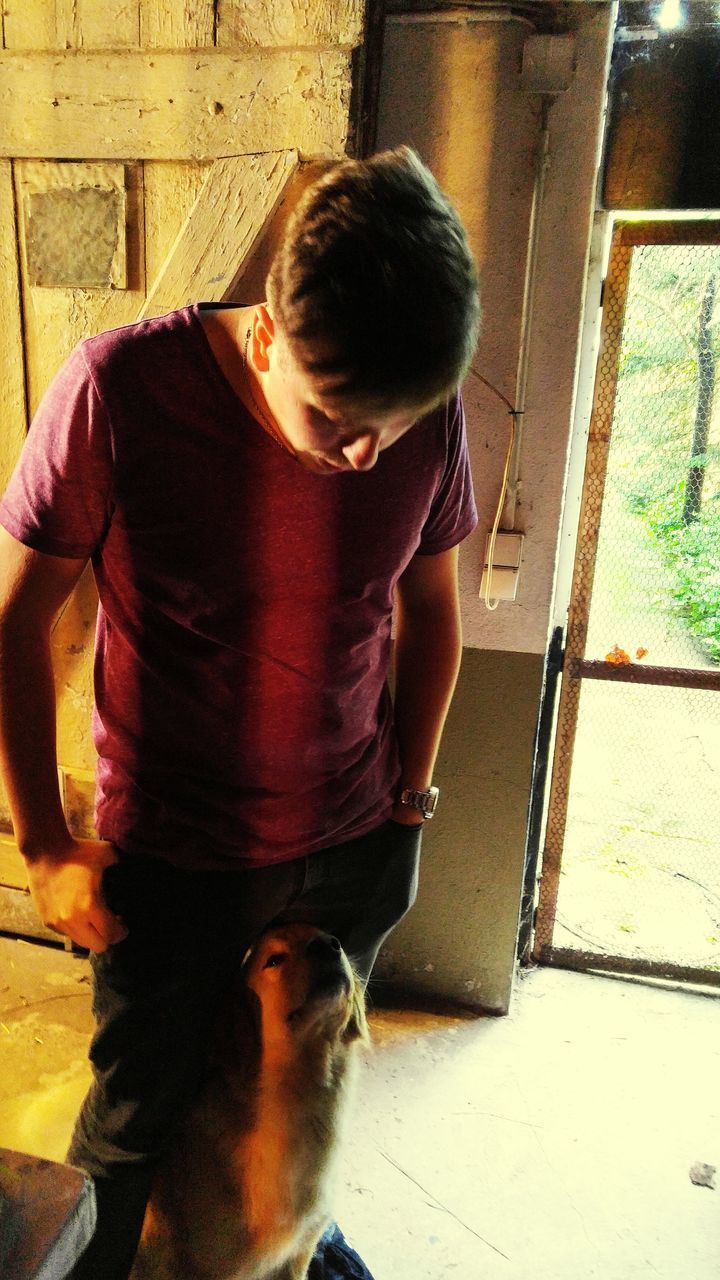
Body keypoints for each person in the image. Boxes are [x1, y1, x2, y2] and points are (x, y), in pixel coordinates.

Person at [0, 145, 480, 1278]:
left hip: (357, 837)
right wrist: (44, 845)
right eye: (337, 420)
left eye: (397, 427)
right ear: (267, 336)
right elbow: (17, 623)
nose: (368, 456)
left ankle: (292, 1247)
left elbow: (430, 608)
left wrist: (409, 799)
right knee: (132, 1129)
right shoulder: (120, 391)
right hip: (176, 858)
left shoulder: (420, 406)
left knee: (306, 1088)